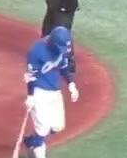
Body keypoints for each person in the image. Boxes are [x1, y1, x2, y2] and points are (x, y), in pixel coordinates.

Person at [21, 26, 80, 158]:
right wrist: (30, 96)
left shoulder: (63, 48)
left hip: (55, 91)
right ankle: (36, 147)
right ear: (53, 42)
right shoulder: (36, 51)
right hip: (39, 92)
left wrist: (71, 84)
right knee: (42, 129)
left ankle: (32, 141)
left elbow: (64, 68)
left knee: (57, 127)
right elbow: (31, 76)